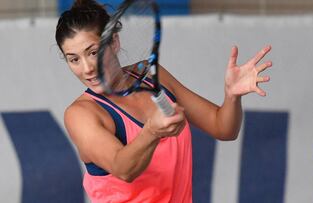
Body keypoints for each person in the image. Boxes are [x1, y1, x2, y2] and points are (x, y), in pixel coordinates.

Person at [55, 0, 272, 202]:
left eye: (93, 52)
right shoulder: (81, 114)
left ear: (114, 41)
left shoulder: (151, 77)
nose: (87, 68)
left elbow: (224, 128)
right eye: (74, 59)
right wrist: (152, 132)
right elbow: (123, 168)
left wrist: (232, 96)